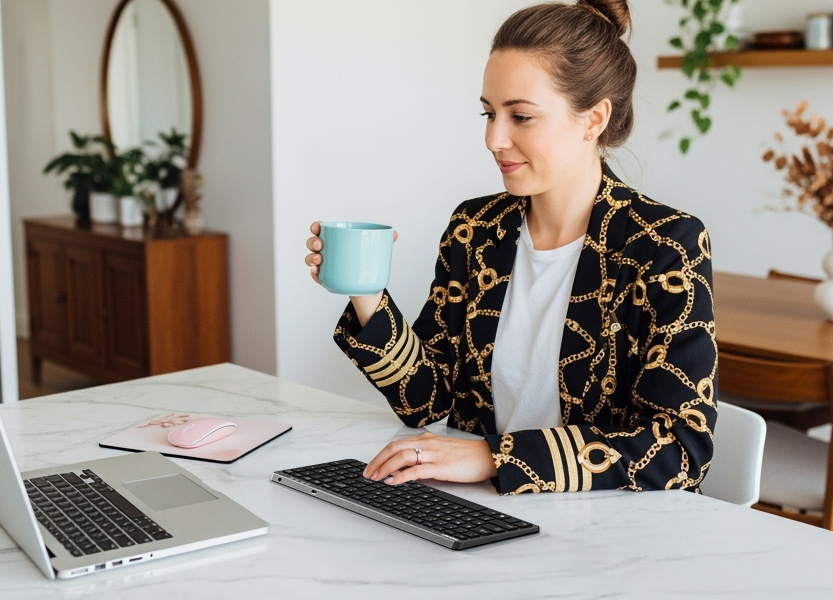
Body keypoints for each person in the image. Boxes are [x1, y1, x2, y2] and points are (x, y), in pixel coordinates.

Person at [303, 0, 717, 495]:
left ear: (594, 119)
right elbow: (428, 401)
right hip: (486, 509)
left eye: (520, 116)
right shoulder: (475, 228)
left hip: (611, 532)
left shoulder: (664, 244)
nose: (493, 138)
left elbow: (678, 450)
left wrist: (493, 456)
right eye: (489, 113)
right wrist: (365, 292)